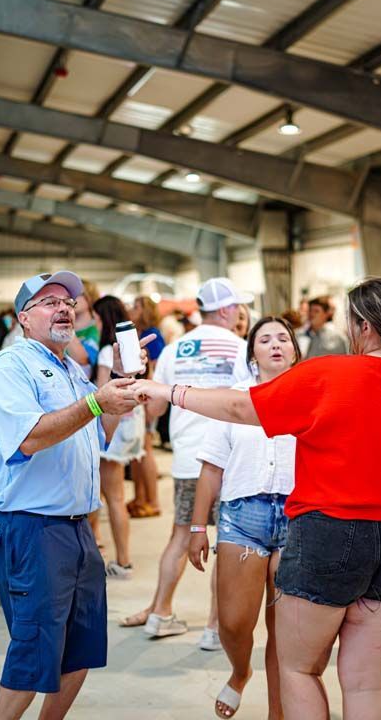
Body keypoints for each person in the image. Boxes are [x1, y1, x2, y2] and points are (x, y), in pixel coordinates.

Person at [130, 277, 381, 720]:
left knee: (299, 671)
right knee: (368, 685)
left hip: (330, 537)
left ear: (364, 327)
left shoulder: (329, 373)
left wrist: (165, 391)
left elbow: (241, 408)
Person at [0, 270, 151, 720]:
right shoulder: (11, 366)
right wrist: (96, 402)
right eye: (50, 302)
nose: (65, 309)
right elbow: (29, 438)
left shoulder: (71, 369)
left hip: (77, 530)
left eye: (70, 303)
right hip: (32, 528)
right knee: (34, 652)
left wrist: (118, 387)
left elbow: (99, 434)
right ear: (23, 319)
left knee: (82, 649)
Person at [120, 277, 252, 652]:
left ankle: (160, 614)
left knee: (180, 536)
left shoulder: (176, 349)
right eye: (237, 306)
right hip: (230, 461)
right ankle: (214, 628)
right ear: (226, 310)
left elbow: (155, 408)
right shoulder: (243, 350)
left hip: (187, 458)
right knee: (227, 544)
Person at [189, 317, 300, 719]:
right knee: (234, 624)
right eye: (265, 339)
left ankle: (278, 711)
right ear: (252, 352)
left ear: (294, 349)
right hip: (241, 518)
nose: (275, 345)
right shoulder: (232, 399)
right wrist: (198, 527)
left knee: (284, 631)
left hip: (298, 517)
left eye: (283, 338)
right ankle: (240, 671)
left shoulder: (310, 395)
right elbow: (211, 468)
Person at [92, 295, 146, 578]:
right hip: (133, 426)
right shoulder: (133, 350)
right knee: (114, 495)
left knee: (112, 496)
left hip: (113, 429)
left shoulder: (106, 353)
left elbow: (103, 393)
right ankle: (116, 556)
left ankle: (123, 561)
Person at [128, 295, 166, 518]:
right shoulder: (139, 334)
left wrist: (151, 397)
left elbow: (156, 367)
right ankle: (140, 497)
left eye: (136, 306)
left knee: (146, 448)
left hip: (149, 396)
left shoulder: (153, 334)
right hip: (140, 395)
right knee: (137, 452)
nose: (132, 310)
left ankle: (152, 500)